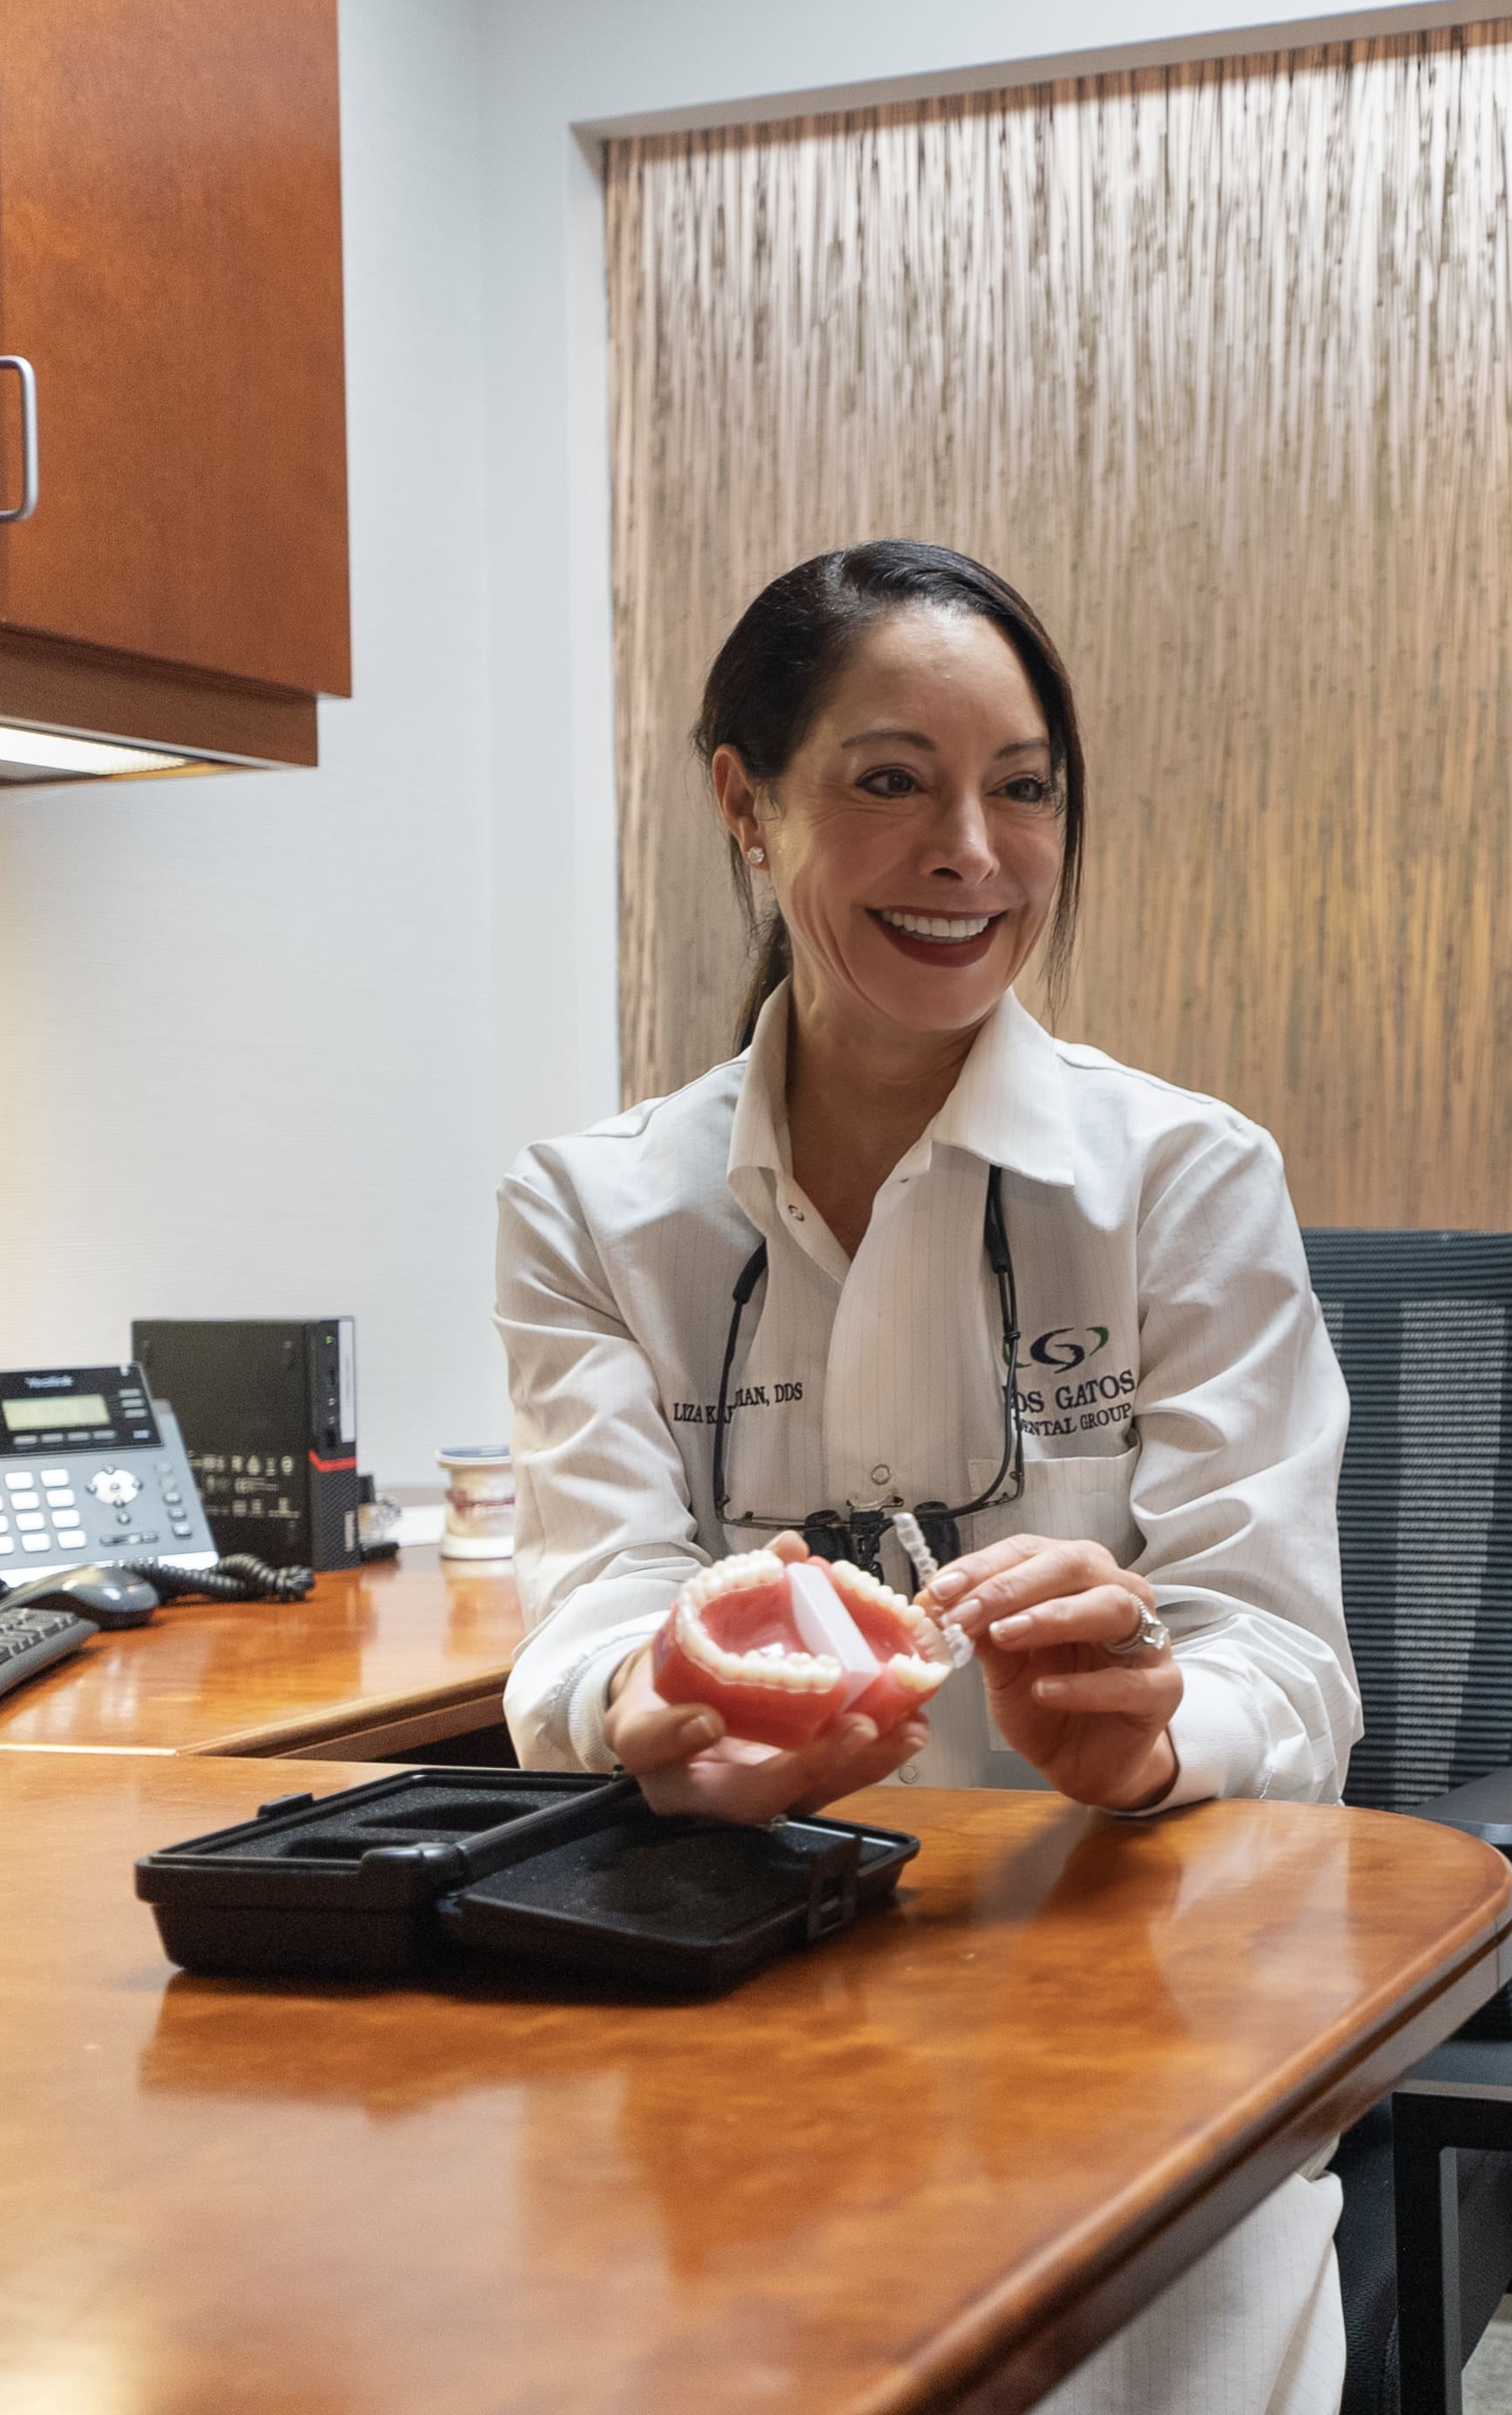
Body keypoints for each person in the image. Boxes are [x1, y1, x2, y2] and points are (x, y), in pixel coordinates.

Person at [496, 538, 1359, 2415]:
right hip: (750, 1985)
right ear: (746, 804)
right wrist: (654, 1699)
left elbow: (1286, 1663)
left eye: (1021, 790)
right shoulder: (595, 1213)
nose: (971, 853)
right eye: (891, 781)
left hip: (1129, 1999)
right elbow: (583, 1621)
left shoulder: (1184, 1180)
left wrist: (1150, 1730)